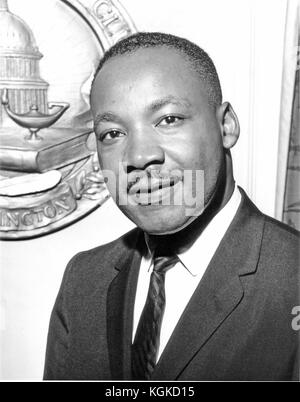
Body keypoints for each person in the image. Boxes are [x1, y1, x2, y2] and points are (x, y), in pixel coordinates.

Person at [44, 32, 299, 381]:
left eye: (168, 120)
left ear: (226, 126)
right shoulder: (84, 279)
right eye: (113, 134)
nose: (138, 156)